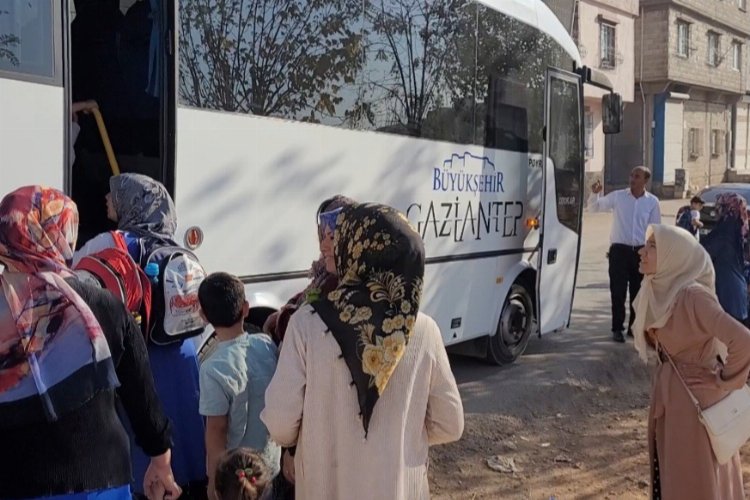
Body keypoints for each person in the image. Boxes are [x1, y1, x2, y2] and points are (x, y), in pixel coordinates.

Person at [261, 202, 464, 500]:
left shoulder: (307, 323)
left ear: (354, 251)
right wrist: (399, 438)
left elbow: (280, 424)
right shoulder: (425, 331)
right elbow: (450, 424)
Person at [0, 186, 180, 499]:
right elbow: (140, 393)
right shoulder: (103, 304)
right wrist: (160, 459)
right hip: (101, 478)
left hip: (14, 480)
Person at [74, 173, 208, 498]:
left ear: (129, 202)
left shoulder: (108, 243)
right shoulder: (172, 245)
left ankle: (146, 484)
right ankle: (185, 479)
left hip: (139, 356)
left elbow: (77, 285)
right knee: (183, 419)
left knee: (143, 416)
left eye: (114, 194)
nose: (107, 199)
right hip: (181, 355)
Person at [633, 223, 750, 499]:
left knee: (695, 479)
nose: (642, 251)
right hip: (673, 400)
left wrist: (724, 381)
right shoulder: (658, 291)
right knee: (677, 475)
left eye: (652, 247)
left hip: (697, 407)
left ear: (675, 256)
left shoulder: (692, 296)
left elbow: (742, 340)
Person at [197, 273, 280, 500]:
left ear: (203, 316)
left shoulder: (212, 369)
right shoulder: (265, 344)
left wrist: (214, 483)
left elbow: (217, 430)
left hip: (235, 478)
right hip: (268, 468)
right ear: (245, 308)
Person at [263, 195, 354, 344]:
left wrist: (281, 317)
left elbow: (304, 325)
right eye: (322, 236)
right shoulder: (327, 271)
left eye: (332, 237)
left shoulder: (341, 280)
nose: (322, 246)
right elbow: (307, 295)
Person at [588, 166, 661, 342]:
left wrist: (652, 255)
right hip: (619, 251)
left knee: (638, 293)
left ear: (645, 181)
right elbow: (595, 208)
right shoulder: (619, 196)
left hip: (640, 252)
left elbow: (655, 230)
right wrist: (594, 194)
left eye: (637, 176)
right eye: (631, 175)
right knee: (617, 291)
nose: (632, 179)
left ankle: (634, 328)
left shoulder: (652, 202)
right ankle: (617, 328)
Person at [700, 192, 749, 323]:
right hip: (737, 295)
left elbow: (702, 254)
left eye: (720, 207)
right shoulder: (739, 229)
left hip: (726, 296)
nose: (716, 210)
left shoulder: (723, 233)